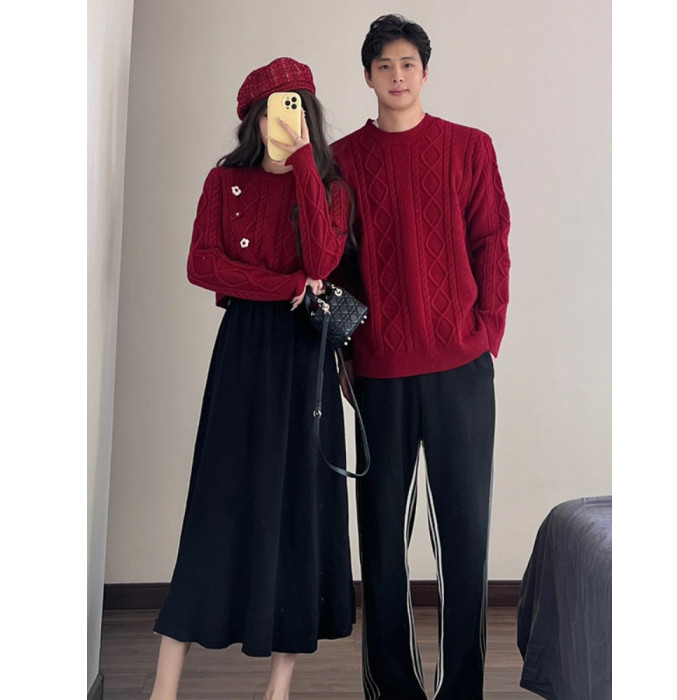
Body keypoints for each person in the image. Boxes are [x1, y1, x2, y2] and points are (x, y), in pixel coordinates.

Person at [150, 57, 356, 700]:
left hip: (303, 359)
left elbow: (324, 258)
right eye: (271, 110)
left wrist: (303, 166)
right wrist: (284, 285)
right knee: (219, 497)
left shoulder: (329, 187)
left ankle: (279, 686)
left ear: (309, 117)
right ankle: (163, 686)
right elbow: (202, 264)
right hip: (243, 349)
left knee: (297, 501)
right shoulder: (224, 181)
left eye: (294, 108)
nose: (282, 121)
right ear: (252, 119)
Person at [331, 15, 511, 700]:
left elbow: (492, 242)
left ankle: (462, 689)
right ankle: (393, 690)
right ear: (368, 76)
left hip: (462, 369)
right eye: (384, 65)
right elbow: (337, 265)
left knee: (465, 538)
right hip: (379, 372)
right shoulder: (342, 161)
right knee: (381, 541)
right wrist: (347, 350)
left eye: (408, 63)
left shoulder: (470, 147)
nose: (397, 75)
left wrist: (486, 334)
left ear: (425, 72)